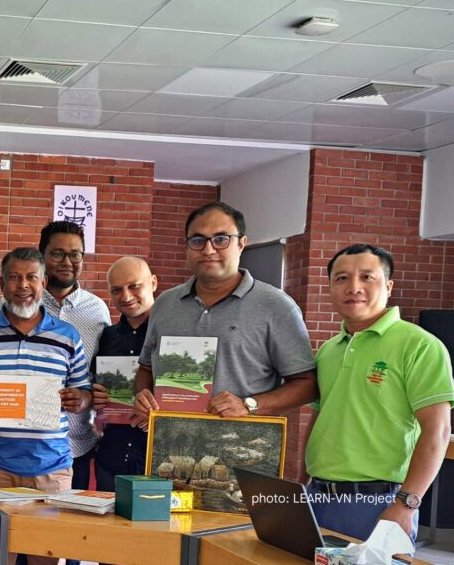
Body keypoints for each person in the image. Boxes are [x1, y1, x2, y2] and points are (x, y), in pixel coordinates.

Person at [305, 244, 453, 542]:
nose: (354, 287)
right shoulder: (328, 350)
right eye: (341, 278)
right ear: (330, 287)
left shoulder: (420, 346)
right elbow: (320, 418)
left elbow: (437, 431)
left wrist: (406, 504)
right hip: (317, 496)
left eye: (367, 277)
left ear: (388, 286)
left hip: (380, 501)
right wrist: (301, 486)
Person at [0, 247, 90, 565]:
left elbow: (84, 391)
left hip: (51, 470)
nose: (23, 285)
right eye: (14, 278)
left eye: (31, 277)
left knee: (46, 558)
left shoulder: (68, 337)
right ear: (1, 283)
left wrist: (80, 398)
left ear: (43, 283)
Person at [134, 202, 316, 426]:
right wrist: (142, 395)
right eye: (198, 240)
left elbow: (307, 384)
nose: (208, 250)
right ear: (187, 246)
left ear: (241, 244)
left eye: (221, 239)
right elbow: (146, 368)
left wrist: (249, 405)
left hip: (241, 444)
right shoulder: (164, 304)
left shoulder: (277, 306)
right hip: (169, 441)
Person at [38, 221, 111, 491]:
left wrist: (89, 397)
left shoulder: (97, 310)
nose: (67, 262)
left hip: (77, 444)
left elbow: (102, 373)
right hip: (28, 444)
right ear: (42, 256)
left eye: (75, 254)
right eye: (57, 254)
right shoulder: (23, 304)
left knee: (69, 516)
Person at [91, 257, 157, 492]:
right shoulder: (107, 336)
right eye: (116, 290)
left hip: (156, 463)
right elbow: (95, 387)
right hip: (112, 459)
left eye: (134, 286)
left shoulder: (173, 335)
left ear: (153, 283)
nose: (126, 296)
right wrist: (95, 397)